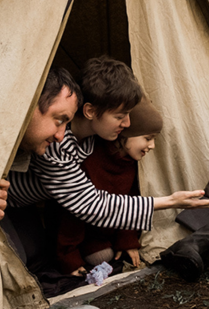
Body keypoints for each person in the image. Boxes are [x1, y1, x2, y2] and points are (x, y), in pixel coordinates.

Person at [0, 56, 209, 249]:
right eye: (120, 117)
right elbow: (91, 205)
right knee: (21, 258)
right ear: (90, 111)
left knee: (35, 252)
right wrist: (170, 201)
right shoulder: (56, 146)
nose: (127, 123)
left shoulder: (94, 135)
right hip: (8, 202)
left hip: (33, 204)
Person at [49, 96, 164, 276]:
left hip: (110, 230)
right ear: (126, 134)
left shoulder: (130, 163)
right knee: (101, 256)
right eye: (148, 138)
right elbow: (71, 214)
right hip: (85, 232)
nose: (152, 146)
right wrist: (69, 257)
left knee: (113, 256)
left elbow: (131, 199)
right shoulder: (92, 159)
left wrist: (127, 240)